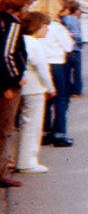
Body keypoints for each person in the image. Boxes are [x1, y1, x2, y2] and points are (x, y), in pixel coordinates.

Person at [32, 0, 73, 149]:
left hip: (39, 63)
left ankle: (45, 131)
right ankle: (59, 132)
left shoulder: (34, 25)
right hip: (56, 63)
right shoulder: (56, 26)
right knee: (60, 98)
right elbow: (68, 46)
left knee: (45, 98)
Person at [15, 11, 55, 174]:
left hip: (22, 86)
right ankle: (27, 161)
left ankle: (22, 159)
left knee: (23, 124)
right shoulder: (34, 43)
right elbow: (42, 69)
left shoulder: (21, 40)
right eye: (45, 27)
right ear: (38, 26)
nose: (46, 30)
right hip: (34, 87)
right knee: (32, 126)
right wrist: (51, 87)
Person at [0, 0, 29, 187]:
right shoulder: (12, 23)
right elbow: (7, 54)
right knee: (4, 130)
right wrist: (11, 81)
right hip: (6, 86)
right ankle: (1, 172)